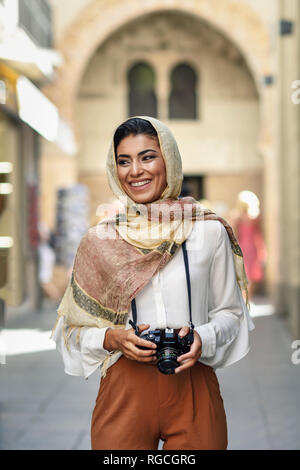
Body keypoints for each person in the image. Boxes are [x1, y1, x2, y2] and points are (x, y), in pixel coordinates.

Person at [51, 116, 254, 450]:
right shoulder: (100, 240)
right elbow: (68, 332)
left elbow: (231, 314)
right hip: (124, 390)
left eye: (147, 157)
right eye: (124, 161)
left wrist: (203, 336)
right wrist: (112, 338)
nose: (135, 171)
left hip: (192, 384)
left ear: (169, 160)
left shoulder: (208, 231)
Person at [231, 200, 266, 301]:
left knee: (249, 274)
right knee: (245, 274)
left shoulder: (254, 218)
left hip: (249, 248)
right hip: (245, 248)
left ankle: (247, 299)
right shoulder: (239, 218)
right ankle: (246, 298)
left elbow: (258, 235)